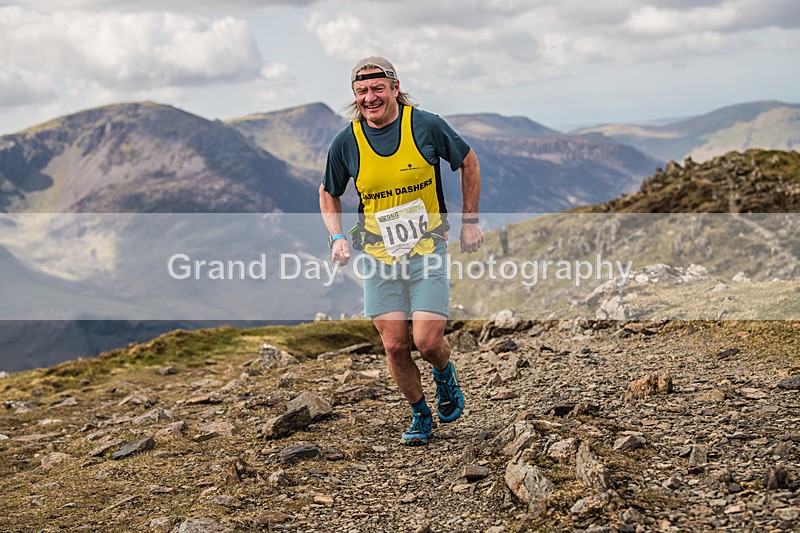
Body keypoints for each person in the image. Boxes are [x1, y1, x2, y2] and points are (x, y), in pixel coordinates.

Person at [319, 56, 484, 446]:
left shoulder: (424, 125)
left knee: (427, 342)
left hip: (427, 247)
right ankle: (420, 414)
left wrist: (470, 221)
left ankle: (445, 374)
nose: (370, 97)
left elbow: (468, 161)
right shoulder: (347, 140)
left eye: (378, 89)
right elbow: (329, 191)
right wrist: (336, 236)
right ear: (355, 96)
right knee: (394, 345)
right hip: (378, 255)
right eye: (362, 91)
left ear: (395, 88)